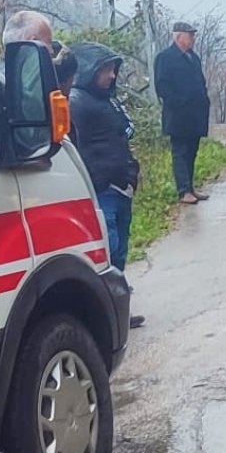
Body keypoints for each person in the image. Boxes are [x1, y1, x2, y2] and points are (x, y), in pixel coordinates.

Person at [68, 41, 144, 329]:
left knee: (120, 252)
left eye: (113, 69)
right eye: (106, 70)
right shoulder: (77, 102)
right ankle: (108, 320)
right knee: (109, 251)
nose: (112, 76)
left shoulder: (107, 100)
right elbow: (73, 147)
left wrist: (131, 171)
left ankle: (119, 312)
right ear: (90, 70)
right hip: (102, 190)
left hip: (120, 186)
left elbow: (119, 139)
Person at [154, 21, 211, 205]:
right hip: (178, 116)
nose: (193, 38)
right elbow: (162, 86)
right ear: (179, 36)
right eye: (190, 35)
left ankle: (191, 187)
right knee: (180, 152)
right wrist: (179, 102)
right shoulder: (165, 57)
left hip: (195, 116)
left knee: (192, 152)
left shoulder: (193, 57)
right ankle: (183, 190)